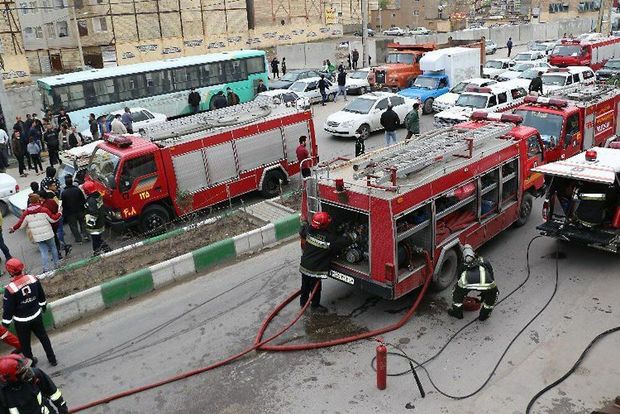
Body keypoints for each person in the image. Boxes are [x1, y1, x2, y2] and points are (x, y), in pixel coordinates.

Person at [2, 258, 57, 366]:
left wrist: (6, 323)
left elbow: (8, 309)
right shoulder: (32, 278)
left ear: (10, 271)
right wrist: (43, 305)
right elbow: (41, 295)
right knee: (44, 338)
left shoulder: (10, 288)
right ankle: (52, 359)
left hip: (21, 322)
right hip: (36, 315)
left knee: (25, 344)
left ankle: (31, 365)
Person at [298, 212, 352, 312]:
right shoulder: (328, 238)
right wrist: (353, 236)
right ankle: (315, 306)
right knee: (316, 288)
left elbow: (302, 231)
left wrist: (303, 222)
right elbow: (343, 242)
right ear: (324, 225)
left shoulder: (309, 230)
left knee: (305, 286)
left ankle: (303, 303)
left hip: (305, 265)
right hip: (315, 269)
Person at [0, 355, 68, 413]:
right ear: (10, 377)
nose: (29, 372)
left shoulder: (36, 374)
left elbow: (53, 393)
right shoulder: (2, 392)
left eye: (26, 368)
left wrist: (63, 410)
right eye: (23, 371)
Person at [10, 194, 61, 272]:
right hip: (48, 234)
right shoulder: (44, 210)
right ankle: (57, 265)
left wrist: (13, 228)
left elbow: (21, 224)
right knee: (53, 248)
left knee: (44, 252)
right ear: (38, 200)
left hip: (38, 237)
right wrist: (60, 213)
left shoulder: (26, 213)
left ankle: (46, 269)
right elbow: (53, 219)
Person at [447, 244, 498, 321]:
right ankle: (484, 316)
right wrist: (487, 291)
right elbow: (491, 273)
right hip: (487, 284)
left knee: (456, 295)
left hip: (466, 284)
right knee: (491, 299)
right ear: (474, 253)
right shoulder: (484, 260)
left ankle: (458, 314)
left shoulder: (463, 264)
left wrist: (462, 294)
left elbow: (459, 278)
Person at [83, 181, 111, 256]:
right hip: (100, 221)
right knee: (97, 238)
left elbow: (94, 213)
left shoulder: (91, 200)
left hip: (95, 224)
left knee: (96, 239)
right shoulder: (98, 195)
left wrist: (90, 225)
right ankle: (98, 251)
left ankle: (102, 250)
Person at [61, 175, 88, 244]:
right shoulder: (77, 190)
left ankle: (79, 239)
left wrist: (64, 212)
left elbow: (63, 204)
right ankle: (85, 235)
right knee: (82, 223)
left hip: (70, 213)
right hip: (80, 210)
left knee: (73, 226)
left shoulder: (64, 193)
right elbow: (83, 199)